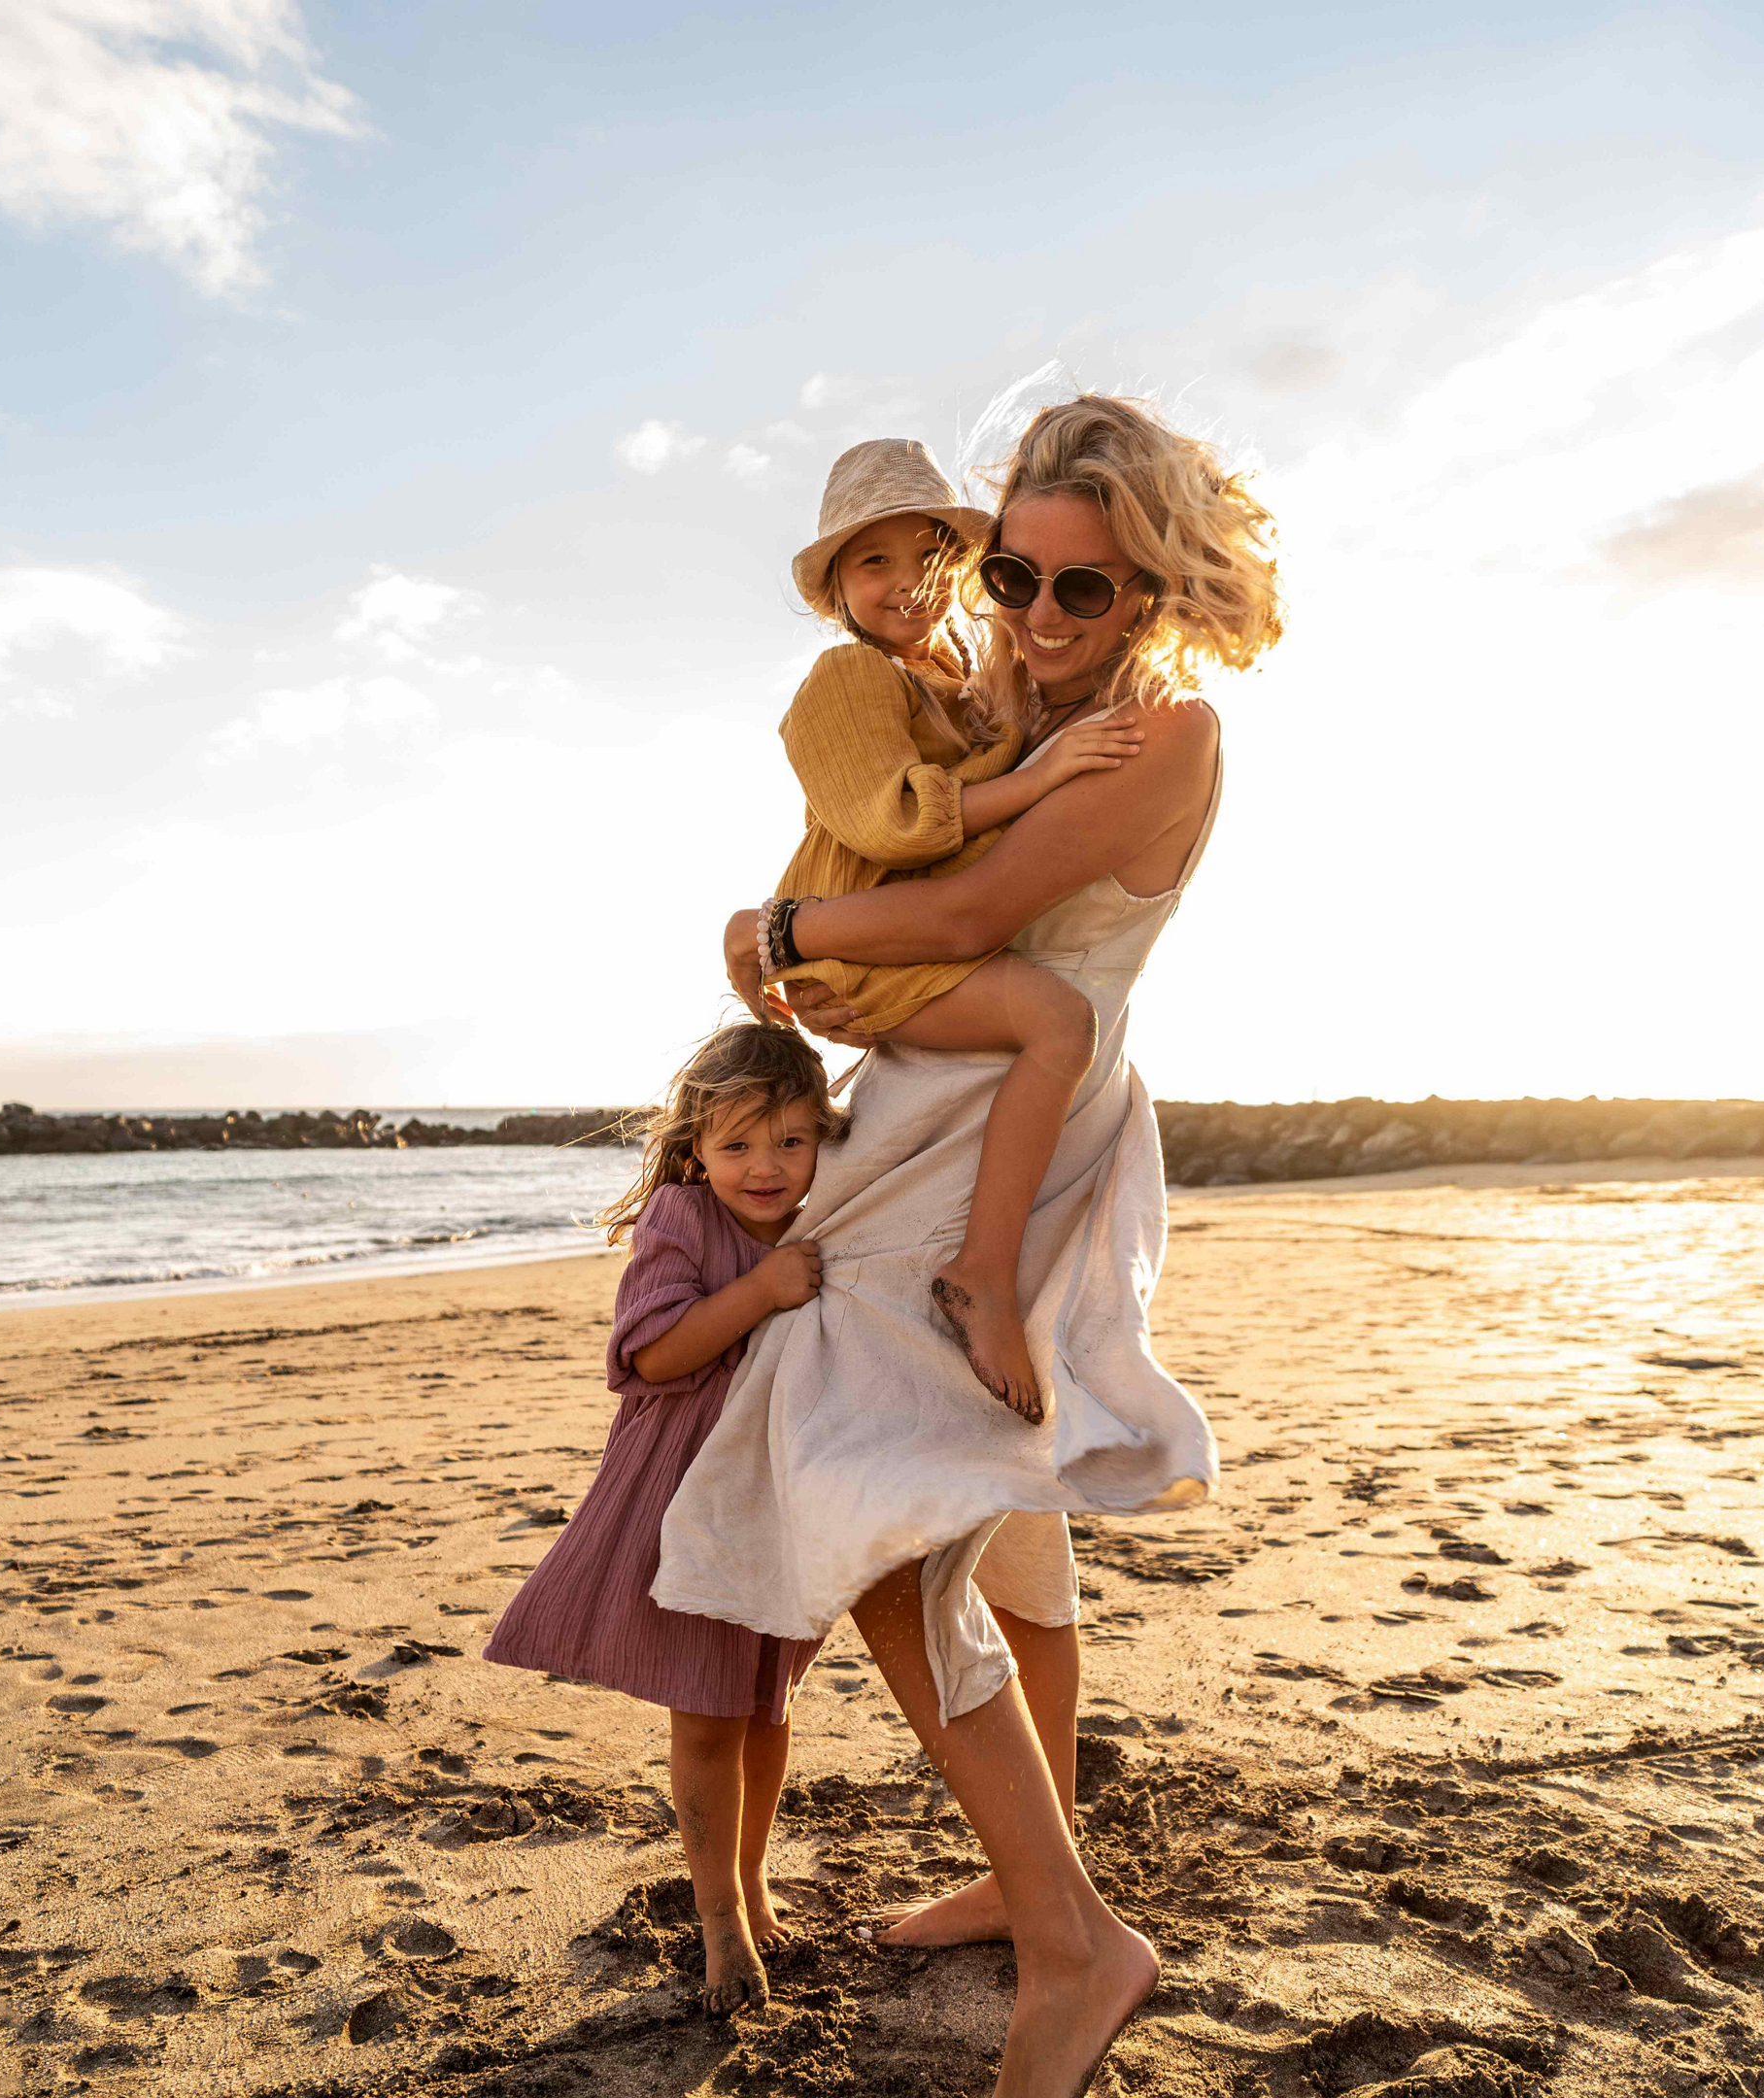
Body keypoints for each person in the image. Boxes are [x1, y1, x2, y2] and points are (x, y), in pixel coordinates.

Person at [655, 393, 1282, 2097]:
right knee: (984, 1511)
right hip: (925, 1099)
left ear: (1154, 592)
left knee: (878, 1507)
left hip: (1010, 1116)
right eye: (1014, 575)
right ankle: (1034, 1888)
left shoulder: (1166, 739)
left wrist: (771, 926)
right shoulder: (1003, 694)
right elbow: (898, 809)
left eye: (1088, 591)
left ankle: (1076, 1944)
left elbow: (950, 917)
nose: (1037, 618)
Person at [768, 438, 1144, 1417]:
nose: (904, 583)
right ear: (834, 589)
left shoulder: (953, 676)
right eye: (871, 561)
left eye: (926, 555)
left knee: (1054, 1025)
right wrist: (1042, 775)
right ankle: (981, 1272)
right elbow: (889, 820)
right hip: (868, 939)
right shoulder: (844, 679)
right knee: (1058, 1024)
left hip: (906, 935)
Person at [481, 1024, 842, 2013]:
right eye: (736, 1146)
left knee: (764, 1698)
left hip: (783, 1491)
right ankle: (717, 1917)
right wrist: (762, 1290)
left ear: (823, 1138)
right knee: (705, 1704)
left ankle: (752, 1877)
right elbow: (651, 1357)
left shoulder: (835, 1211)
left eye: (789, 1142)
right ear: (695, 1152)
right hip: (684, 1490)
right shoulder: (683, 1221)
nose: (764, 1168)